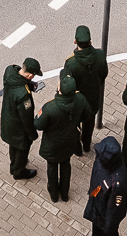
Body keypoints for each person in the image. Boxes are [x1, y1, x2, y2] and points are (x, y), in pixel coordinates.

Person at [38, 72, 90, 202]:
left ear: (59, 88)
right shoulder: (80, 99)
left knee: (52, 166)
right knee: (66, 164)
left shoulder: (50, 107)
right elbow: (87, 115)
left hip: (52, 144)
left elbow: (38, 124)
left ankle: (54, 194)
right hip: (70, 141)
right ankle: (65, 193)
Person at [79, 138, 127, 236]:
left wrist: (109, 226)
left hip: (108, 214)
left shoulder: (118, 182)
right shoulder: (102, 159)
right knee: (96, 225)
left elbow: (116, 208)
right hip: (97, 202)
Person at [0, 58, 41, 179]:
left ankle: (14, 165)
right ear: (30, 75)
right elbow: (26, 118)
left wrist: (29, 84)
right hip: (19, 127)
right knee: (22, 148)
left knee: (13, 145)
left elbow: (17, 81)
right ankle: (19, 172)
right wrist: (32, 134)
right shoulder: (23, 95)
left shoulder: (9, 72)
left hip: (8, 119)